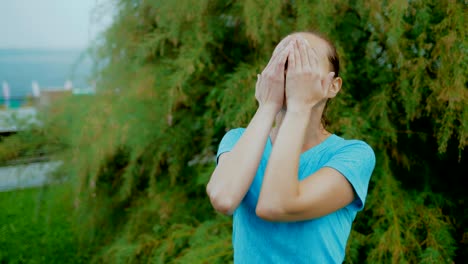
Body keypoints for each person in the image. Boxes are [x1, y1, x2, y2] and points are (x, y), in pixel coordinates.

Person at [206, 32, 376, 263]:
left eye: (305, 60)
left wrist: (299, 107)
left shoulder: (353, 155)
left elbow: (276, 205)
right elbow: (223, 198)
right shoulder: (238, 140)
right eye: (284, 61)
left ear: (333, 86)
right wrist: (267, 106)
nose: (293, 71)